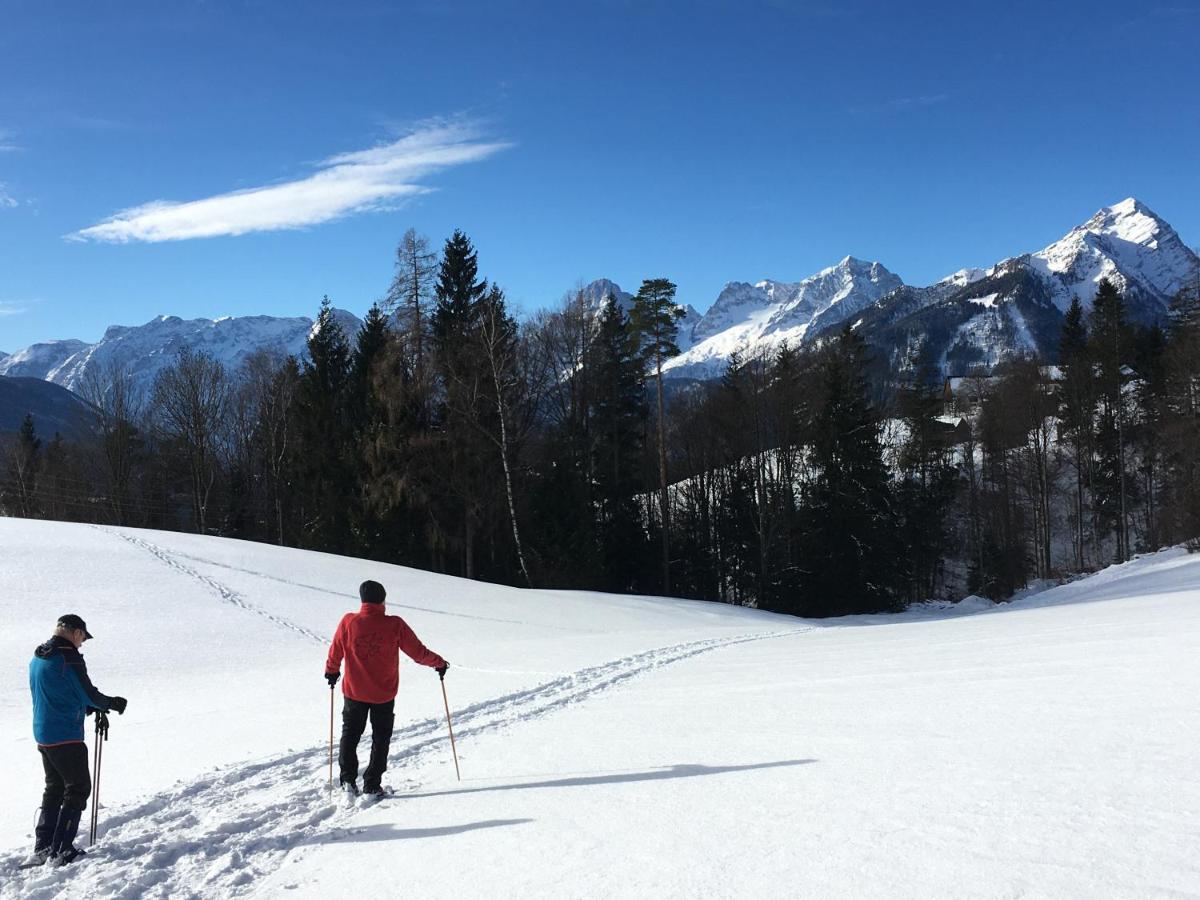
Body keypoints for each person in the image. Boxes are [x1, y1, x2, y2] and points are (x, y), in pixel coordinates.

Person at [325, 580, 447, 798]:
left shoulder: (348, 621)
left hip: (354, 691)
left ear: (362, 599)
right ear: (382, 600)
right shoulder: (394, 624)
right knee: (380, 737)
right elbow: (418, 652)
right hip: (383, 693)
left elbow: (336, 649)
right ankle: (372, 784)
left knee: (350, 734)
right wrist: (438, 662)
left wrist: (332, 671)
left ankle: (347, 780)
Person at [26, 614, 127, 867]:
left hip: (44, 732)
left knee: (55, 787)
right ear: (75, 632)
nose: (82, 643)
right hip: (65, 735)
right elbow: (86, 691)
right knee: (78, 787)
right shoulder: (67, 656)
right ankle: (61, 850)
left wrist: (84, 708)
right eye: (83, 637)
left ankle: (43, 846)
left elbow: (56, 691)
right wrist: (110, 703)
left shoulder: (39, 655)